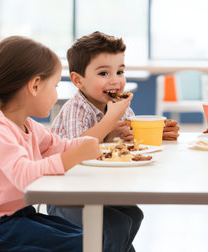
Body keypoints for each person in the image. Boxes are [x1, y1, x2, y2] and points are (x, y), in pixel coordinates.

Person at [0, 36, 102, 251]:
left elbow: (55, 145)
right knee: (82, 245)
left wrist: (88, 145)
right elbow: (25, 176)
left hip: (17, 216)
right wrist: (75, 156)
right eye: (56, 85)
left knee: (91, 239)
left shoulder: (27, 125)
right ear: (35, 85)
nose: (57, 94)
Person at [48, 31, 174, 252]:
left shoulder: (119, 108)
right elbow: (78, 147)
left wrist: (151, 133)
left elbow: (132, 143)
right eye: (104, 73)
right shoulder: (75, 109)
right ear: (78, 80)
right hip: (67, 196)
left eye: (120, 71)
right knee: (115, 226)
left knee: (133, 215)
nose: (115, 80)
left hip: (101, 187)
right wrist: (110, 123)